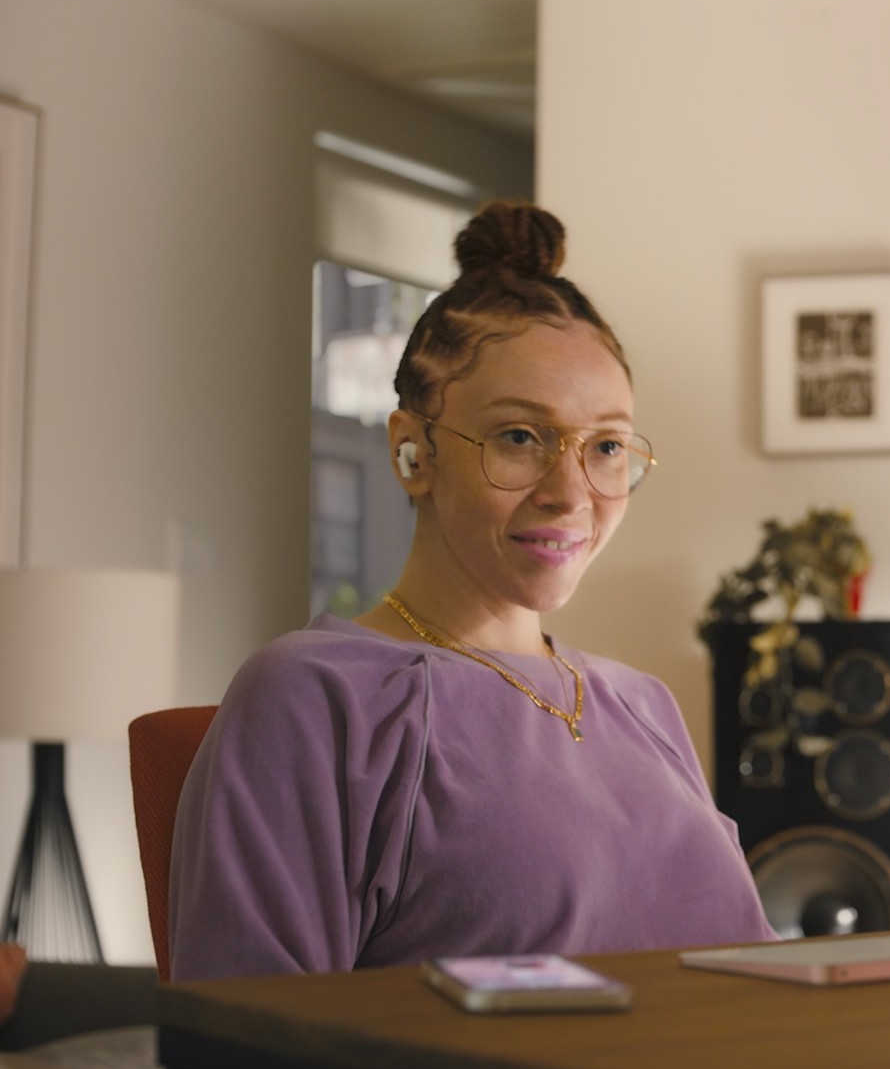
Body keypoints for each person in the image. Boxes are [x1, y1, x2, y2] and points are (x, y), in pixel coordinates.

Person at [170, 202, 778, 981]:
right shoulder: (313, 695)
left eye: (606, 446)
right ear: (412, 452)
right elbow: (248, 1027)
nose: (572, 493)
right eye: (520, 436)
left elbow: (756, 976)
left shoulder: (643, 705)